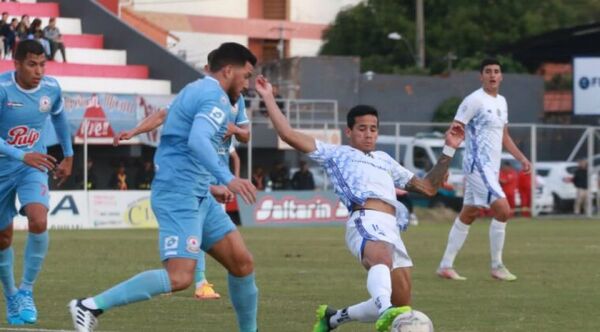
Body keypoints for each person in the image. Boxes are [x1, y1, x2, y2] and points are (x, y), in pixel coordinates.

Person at [69, 42, 259, 332]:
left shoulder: (195, 90)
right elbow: (198, 140)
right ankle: (89, 306)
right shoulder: (215, 97)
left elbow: (178, 130)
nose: (247, 84)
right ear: (228, 70)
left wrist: (210, 186)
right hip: (178, 194)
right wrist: (227, 178)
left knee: (242, 264)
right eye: (245, 76)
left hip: (198, 194)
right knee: (180, 277)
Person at [255, 76, 463, 332]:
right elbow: (287, 133)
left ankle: (332, 319)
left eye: (373, 128)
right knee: (382, 269)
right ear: (349, 131)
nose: (368, 133)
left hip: (392, 227)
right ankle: (385, 310)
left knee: (401, 303)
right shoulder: (336, 154)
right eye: (362, 128)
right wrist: (268, 97)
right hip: (365, 218)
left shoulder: (384, 159)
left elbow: (428, 187)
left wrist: (449, 149)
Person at [112, 56, 251, 301]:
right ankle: (200, 280)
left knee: (241, 262)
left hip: (212, 172)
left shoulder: (236, 101)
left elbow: (246, 136)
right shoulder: (199, 96)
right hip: (196, 175)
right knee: (185, 259)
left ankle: (200, 280)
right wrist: (135, 131)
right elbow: (163, 115)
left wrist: (235, 131)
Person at [436, 58, 531, 282]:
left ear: (501, 76)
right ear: (481, 76)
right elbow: (453, 132)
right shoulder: (474, 100)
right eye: (488, 71)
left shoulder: (502, 102)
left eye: (496, 71)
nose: (492, 75)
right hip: (477, 166)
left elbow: (504, 136)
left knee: (469, 213)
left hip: (491, 168)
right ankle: (497, 266)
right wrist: (444, 165)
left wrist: (521, 158)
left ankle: (445, 266)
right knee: (503, 210)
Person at [0, 40, 73, 325]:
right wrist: (21, 155)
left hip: (34, 167)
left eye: (42, 64)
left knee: (38, 219)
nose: (39, 71)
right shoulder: (3, 90)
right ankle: (11, 295)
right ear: (16, 64)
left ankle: (27, 291)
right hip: (5, 166)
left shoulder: (52, 89)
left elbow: (60, 119)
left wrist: (68, 155)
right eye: (32, 64)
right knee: (3, 237)